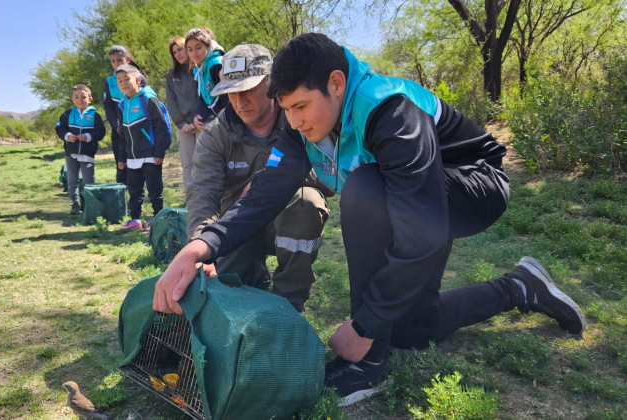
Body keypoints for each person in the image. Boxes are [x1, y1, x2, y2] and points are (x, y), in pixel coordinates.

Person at [152, 33, 586, 405]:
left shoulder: (390, 112)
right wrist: (202, 244)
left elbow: (422, 235)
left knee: (364, 189)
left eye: (301, 105)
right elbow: (266, 191)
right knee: (416, 327)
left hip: (475, 184)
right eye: (286, 108)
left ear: (336, 84)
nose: (294, 120)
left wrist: (364, 328)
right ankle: (521, 286)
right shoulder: (298, 121)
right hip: (415, 197)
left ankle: (369, 362)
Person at [185, 43, 331, 312]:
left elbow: (330, 178)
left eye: (248, 89)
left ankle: (290, 302)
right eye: (231, 93)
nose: (240, 102)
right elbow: (202, 195)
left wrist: (275, 181)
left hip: (286, 219)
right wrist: (201, 246)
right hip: (234, 226)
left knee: (307, 202)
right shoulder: (214, 134)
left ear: (271, 83)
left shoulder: (299, 120)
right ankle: (253, 272)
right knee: (224, 294)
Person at [114, 65, 171, 231]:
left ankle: (157, 218)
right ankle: (135, 220)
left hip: (150, 154)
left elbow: (161, 126)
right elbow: (122, 134)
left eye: (127, 79)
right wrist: (122, 157)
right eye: (120, 81)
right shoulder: (122, 105)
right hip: (132, 156)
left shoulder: (148, 98)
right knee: (134, 190)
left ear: (138, 80)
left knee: (154, 189)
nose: (124, 83)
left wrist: (159, 151)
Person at [55, 84, 105, 215]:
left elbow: (101, 132)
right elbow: (59, 129)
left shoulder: (95, 116)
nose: (80, 100)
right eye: (76, 97)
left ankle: (89, 205)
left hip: (87, 154)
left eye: (83, 97)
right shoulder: (67, 115)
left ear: (90, 99)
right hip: (71, 153)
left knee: (89, 181)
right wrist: (67, 136)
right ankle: (75, 204)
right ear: (72, 99)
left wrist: (88, 136)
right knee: (72, 180)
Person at [103, 45, 148, 187]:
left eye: (120, 60)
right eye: (113, 61)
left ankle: (138, 196)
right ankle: (122, 199)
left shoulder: (139, 78)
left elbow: (146, 104)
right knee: (121, 164)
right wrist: (116, 126)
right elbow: (108, 106)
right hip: (119, 131)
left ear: (127, 60)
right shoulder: (110, 82)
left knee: (140, 165)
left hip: (137, 130)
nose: (116, 64)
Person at [165, 36, 200, 187]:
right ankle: (190, 201)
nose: (178, 54)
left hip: (201, 122)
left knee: (204, 162)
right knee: (187, 164)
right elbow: (171, 101)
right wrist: (181, 123)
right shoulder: (172, 75)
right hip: (183, 127)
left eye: (180, 49)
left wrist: (197, 120)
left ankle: (207, 200)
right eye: (174, 52)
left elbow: (205, 97)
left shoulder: (200, 69)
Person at [184, 27, 229, 132]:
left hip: (229, 120)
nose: (194, 53)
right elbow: (203, 99)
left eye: (198, 47)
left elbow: (227, 98)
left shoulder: (216, 65)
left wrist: (224, 121)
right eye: (190, 49)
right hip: (219, 120)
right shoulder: (198, 70)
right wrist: (197, 116)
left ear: (208, 46)